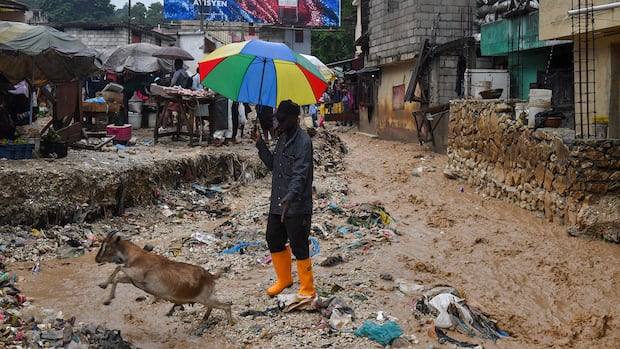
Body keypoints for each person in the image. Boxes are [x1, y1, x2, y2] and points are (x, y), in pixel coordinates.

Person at [252, 100, 316, 297]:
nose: (278, 123)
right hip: (278, 203)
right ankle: (284, 279)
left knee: (299, 245)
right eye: (277, 118)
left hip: (296, 205)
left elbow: (300, 174)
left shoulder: (304, 142)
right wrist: (260, 144)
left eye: (282, 119)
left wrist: (290, 196)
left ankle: (307, 288)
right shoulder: (281, 139)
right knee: (273, 238)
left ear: (294, 119)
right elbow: (274, 165)